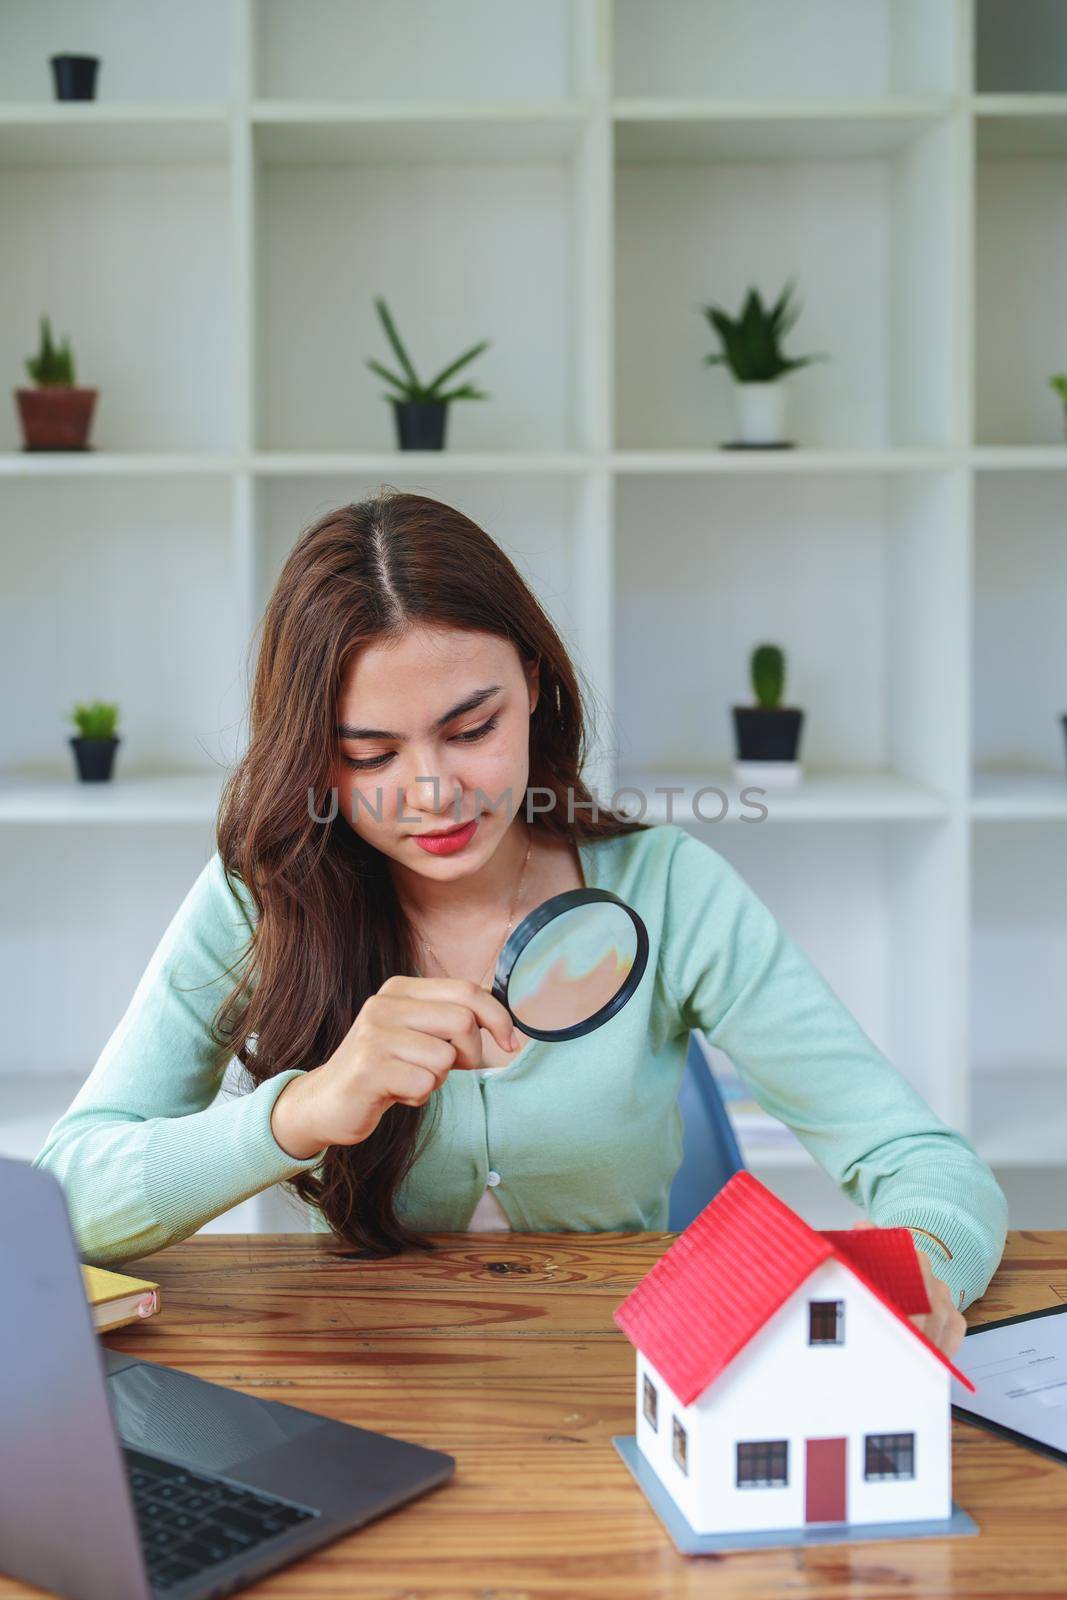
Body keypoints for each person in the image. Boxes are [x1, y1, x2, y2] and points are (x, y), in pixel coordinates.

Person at [33, 490, 1006, 1358]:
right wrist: (299, 1112)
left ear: (533, 685)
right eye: (369, 752)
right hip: (346, 1385)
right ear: (314, 758)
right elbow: (66, 1192)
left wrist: (921, 1267)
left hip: (611, 1382)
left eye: (469, 729)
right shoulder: (261, 896)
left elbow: (922, 1164)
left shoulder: (666, 887)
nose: (430, 791)